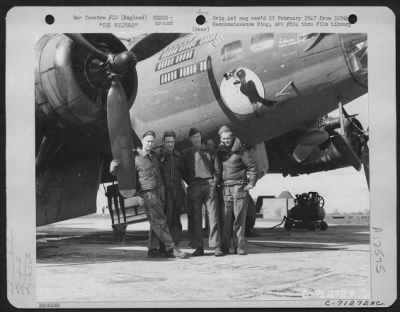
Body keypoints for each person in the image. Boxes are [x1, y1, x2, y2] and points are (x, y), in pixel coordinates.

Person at [110, 130, 188, 259]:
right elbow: (123, 174)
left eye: (152, 141)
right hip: (148, 193)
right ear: (142, 141)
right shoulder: (134, 158)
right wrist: (113, 167)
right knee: (160, 221)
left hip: (160, 191)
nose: (150, 144)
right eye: (148, 141)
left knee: (155, 221)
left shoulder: (155, 156)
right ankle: (171, 248)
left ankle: (153, 249)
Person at [216, 125, 257, 255]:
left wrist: (251, 183)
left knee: (239, 218)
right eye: (224, 139)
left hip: (239, 186)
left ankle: (239, 246)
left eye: (228, 138)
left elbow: (252, 167)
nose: (226, 141)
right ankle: (225, 246)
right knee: (225, 218)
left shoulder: (241, 151)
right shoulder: (220, 151)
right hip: (225, 187)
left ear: (232, 137)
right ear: (221, 139)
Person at [182, 128, 223, 257]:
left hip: (208, 185)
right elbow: (183, 171)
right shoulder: (186, 154)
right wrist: (191, 182)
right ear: (190, 139)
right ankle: (198, 247)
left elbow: (217, 169)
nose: (197, 139)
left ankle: (216, 246)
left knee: (213, 217)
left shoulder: (211, 152)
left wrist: (213, 183)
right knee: (195, 218)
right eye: (194, 137)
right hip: (194, 185)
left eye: (198, 136)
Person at [157, 130, 185, 246]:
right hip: (165, 192)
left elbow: (184, 173)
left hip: (177, 191)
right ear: (163, 142)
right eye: (167, 142)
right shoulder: (158, 157)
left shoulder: (178, 156)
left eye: (172, 142)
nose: (170, 144)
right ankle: (165, 245)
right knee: (166, 219)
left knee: (176, 219)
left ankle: (175, 244)